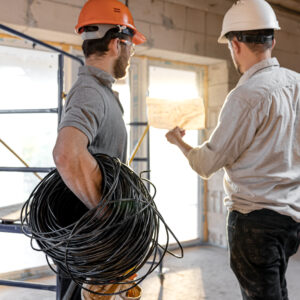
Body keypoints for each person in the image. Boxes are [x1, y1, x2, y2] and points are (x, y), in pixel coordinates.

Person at [165, 0, 300, 299]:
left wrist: (178, 142)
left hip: (254, 223)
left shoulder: (246, 96)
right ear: (272, 40)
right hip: (291, 220)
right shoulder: (297, 84)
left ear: (235, 44)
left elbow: (206, 163)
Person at [52, 0, 146, 298]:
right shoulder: (90, 91)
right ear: (118, 44)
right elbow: (66, 154)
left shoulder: (100, 92)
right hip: (88, 237)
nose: (131, 55)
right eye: (131, 46)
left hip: (93, 237)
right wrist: (108, 214)